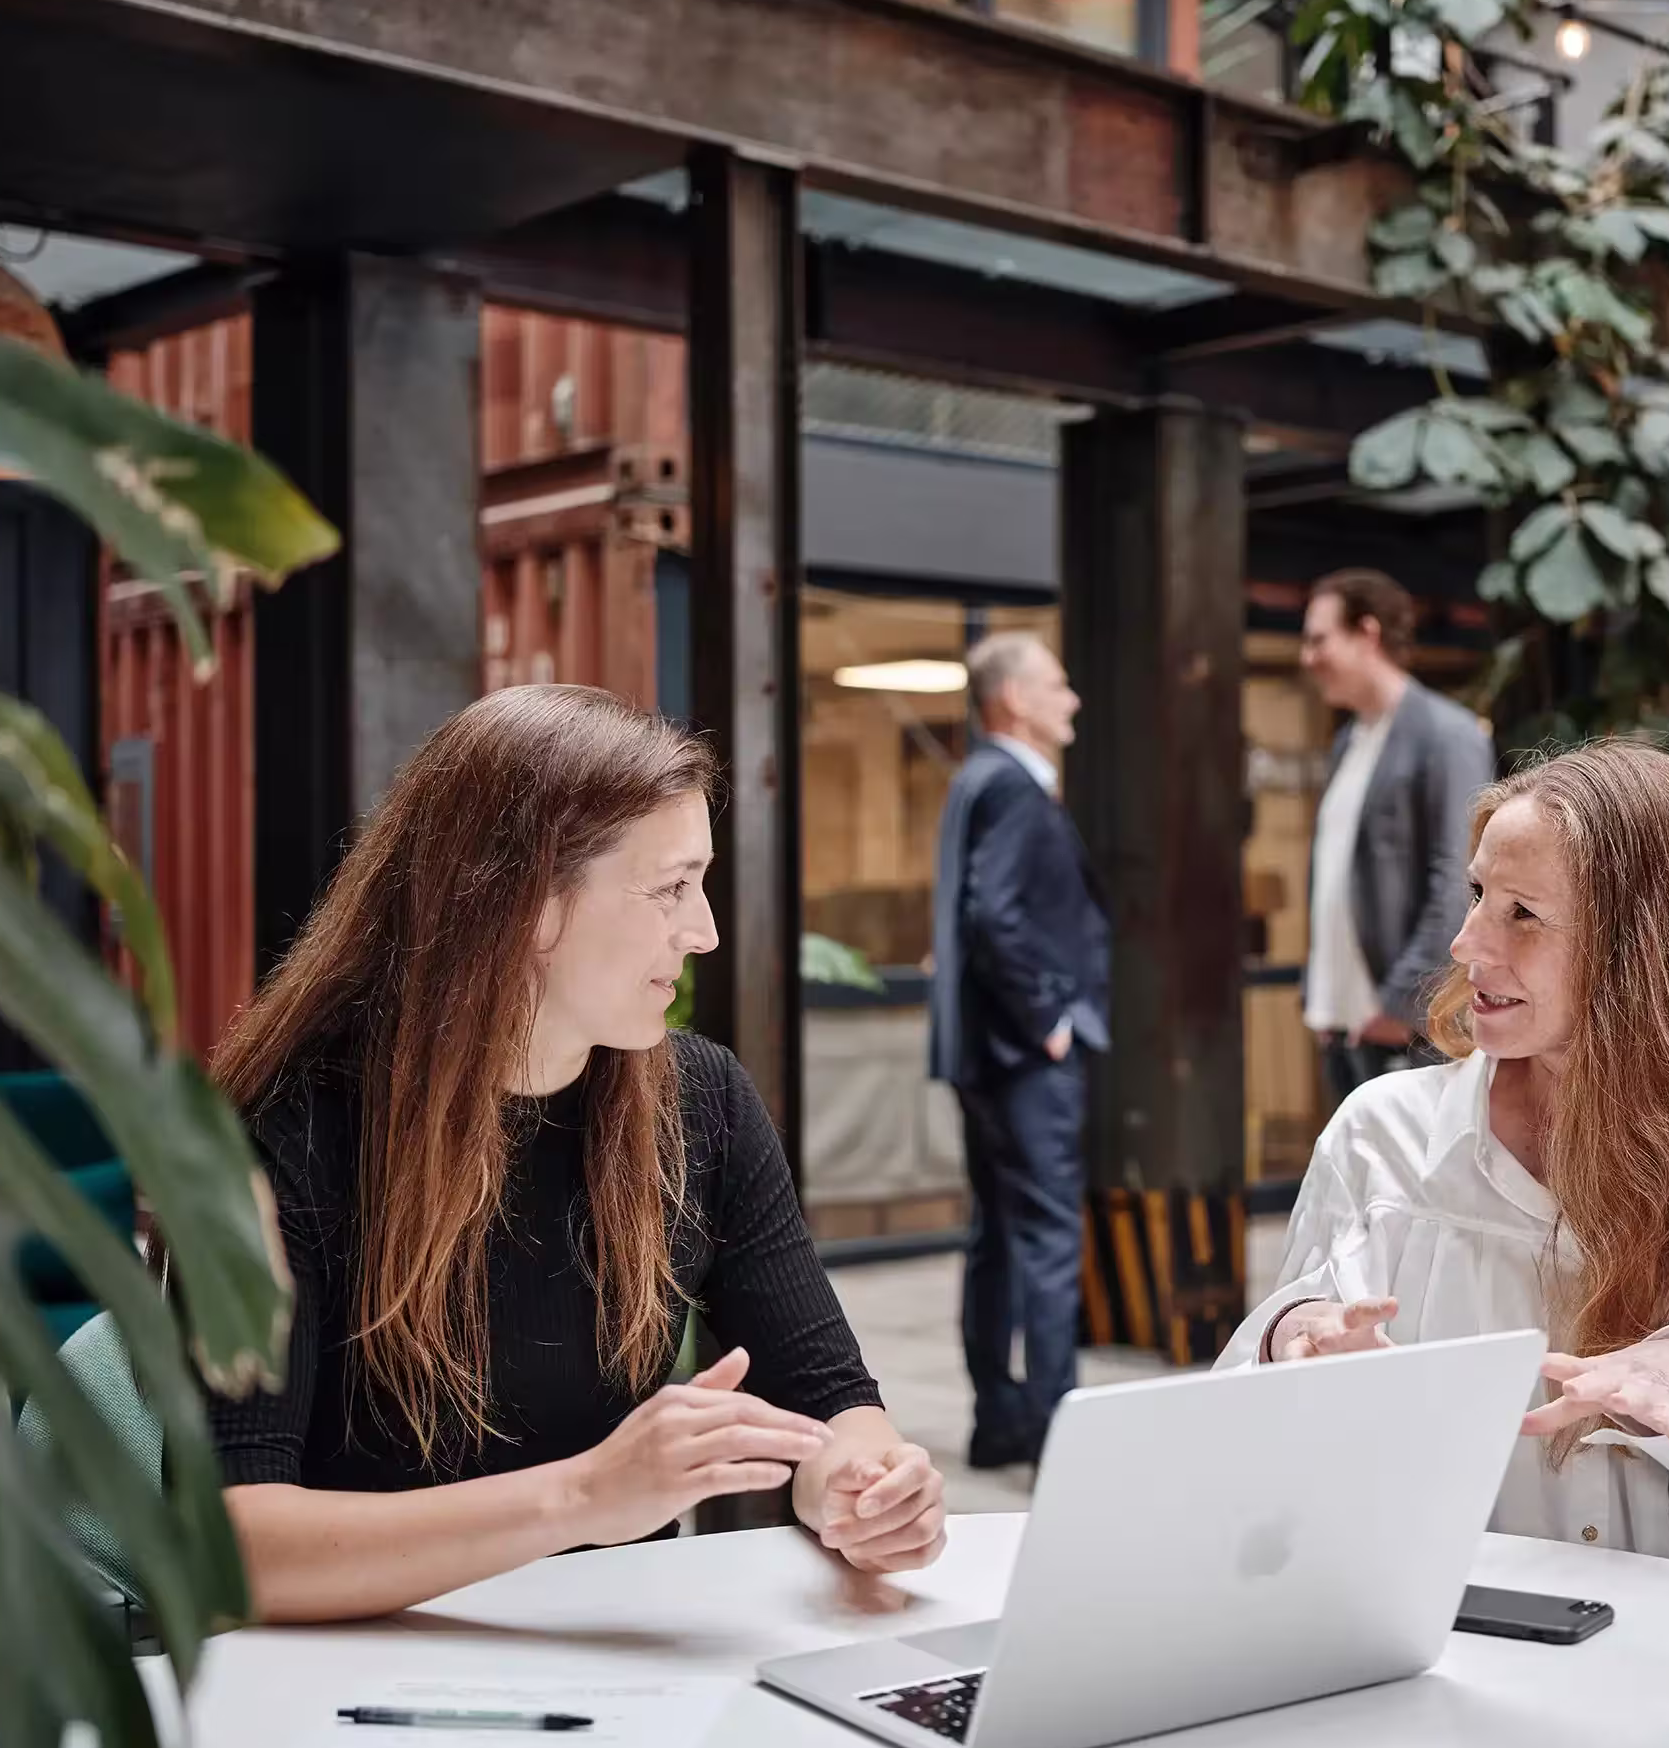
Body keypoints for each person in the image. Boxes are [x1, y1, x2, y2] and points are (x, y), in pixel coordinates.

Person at [205, 686, 945, 1624]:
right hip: (352, 1686)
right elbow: (233, 1548)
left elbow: (828, 1401)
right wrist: (586, 1499)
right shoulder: (287, 1129)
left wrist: (862, 1486)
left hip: (615, 1667)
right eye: (671, 887)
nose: (704, 930)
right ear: (533, 907)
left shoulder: (702, 1103)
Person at [1223, 740, 1669, 1615]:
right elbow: (1244, 1507)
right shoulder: (1384, 1143)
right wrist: (1286, 1344)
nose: (1467, 942)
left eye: (1524, 913)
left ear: (1649, 952)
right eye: (1479, 893)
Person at [927, 632, 1110, 1471]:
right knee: (1041, 1236)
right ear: (1013, 702)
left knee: (998, 1236)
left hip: (984, 1058)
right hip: (1024, 1057)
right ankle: (1056, 1433)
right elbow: (993, 914)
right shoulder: (1010, 785)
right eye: (1058, 683)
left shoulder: (979, 781)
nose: (1073, 699)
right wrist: (1050, 1017)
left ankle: (1001, 1422)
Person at [1297, 568, 1495, 1106]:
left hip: (1405, 1029)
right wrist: (1320, 992)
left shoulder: (1445, 734)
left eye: (1319, 639)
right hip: (1343, 1021)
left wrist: (1404, 1004)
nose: (1306, 658)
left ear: (1368, 633)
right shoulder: (1348, 740)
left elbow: (1458, 877)